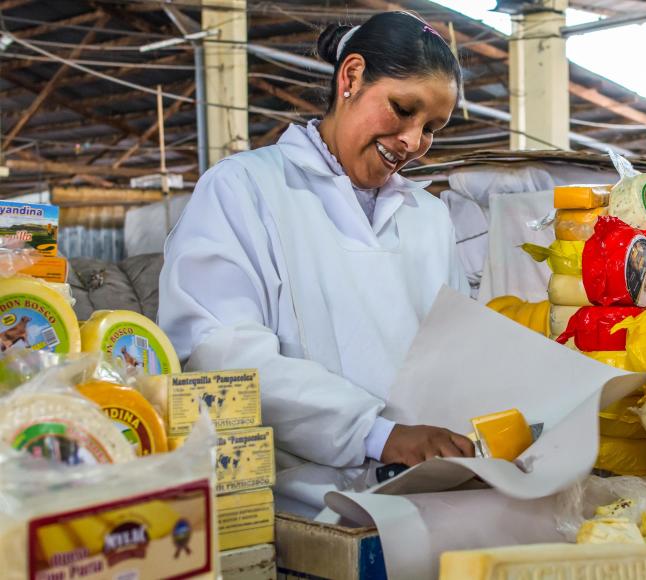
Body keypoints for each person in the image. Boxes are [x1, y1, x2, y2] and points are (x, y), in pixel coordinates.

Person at [158, 11, 475, 515]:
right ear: (350, 77)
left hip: (424, 497)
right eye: (402, 109)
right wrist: (378, 434)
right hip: (299, 511)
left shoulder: (430, 218)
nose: (414, 142)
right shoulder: (246, 189)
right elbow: (219, 357)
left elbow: (458, 353)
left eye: (431, 127)